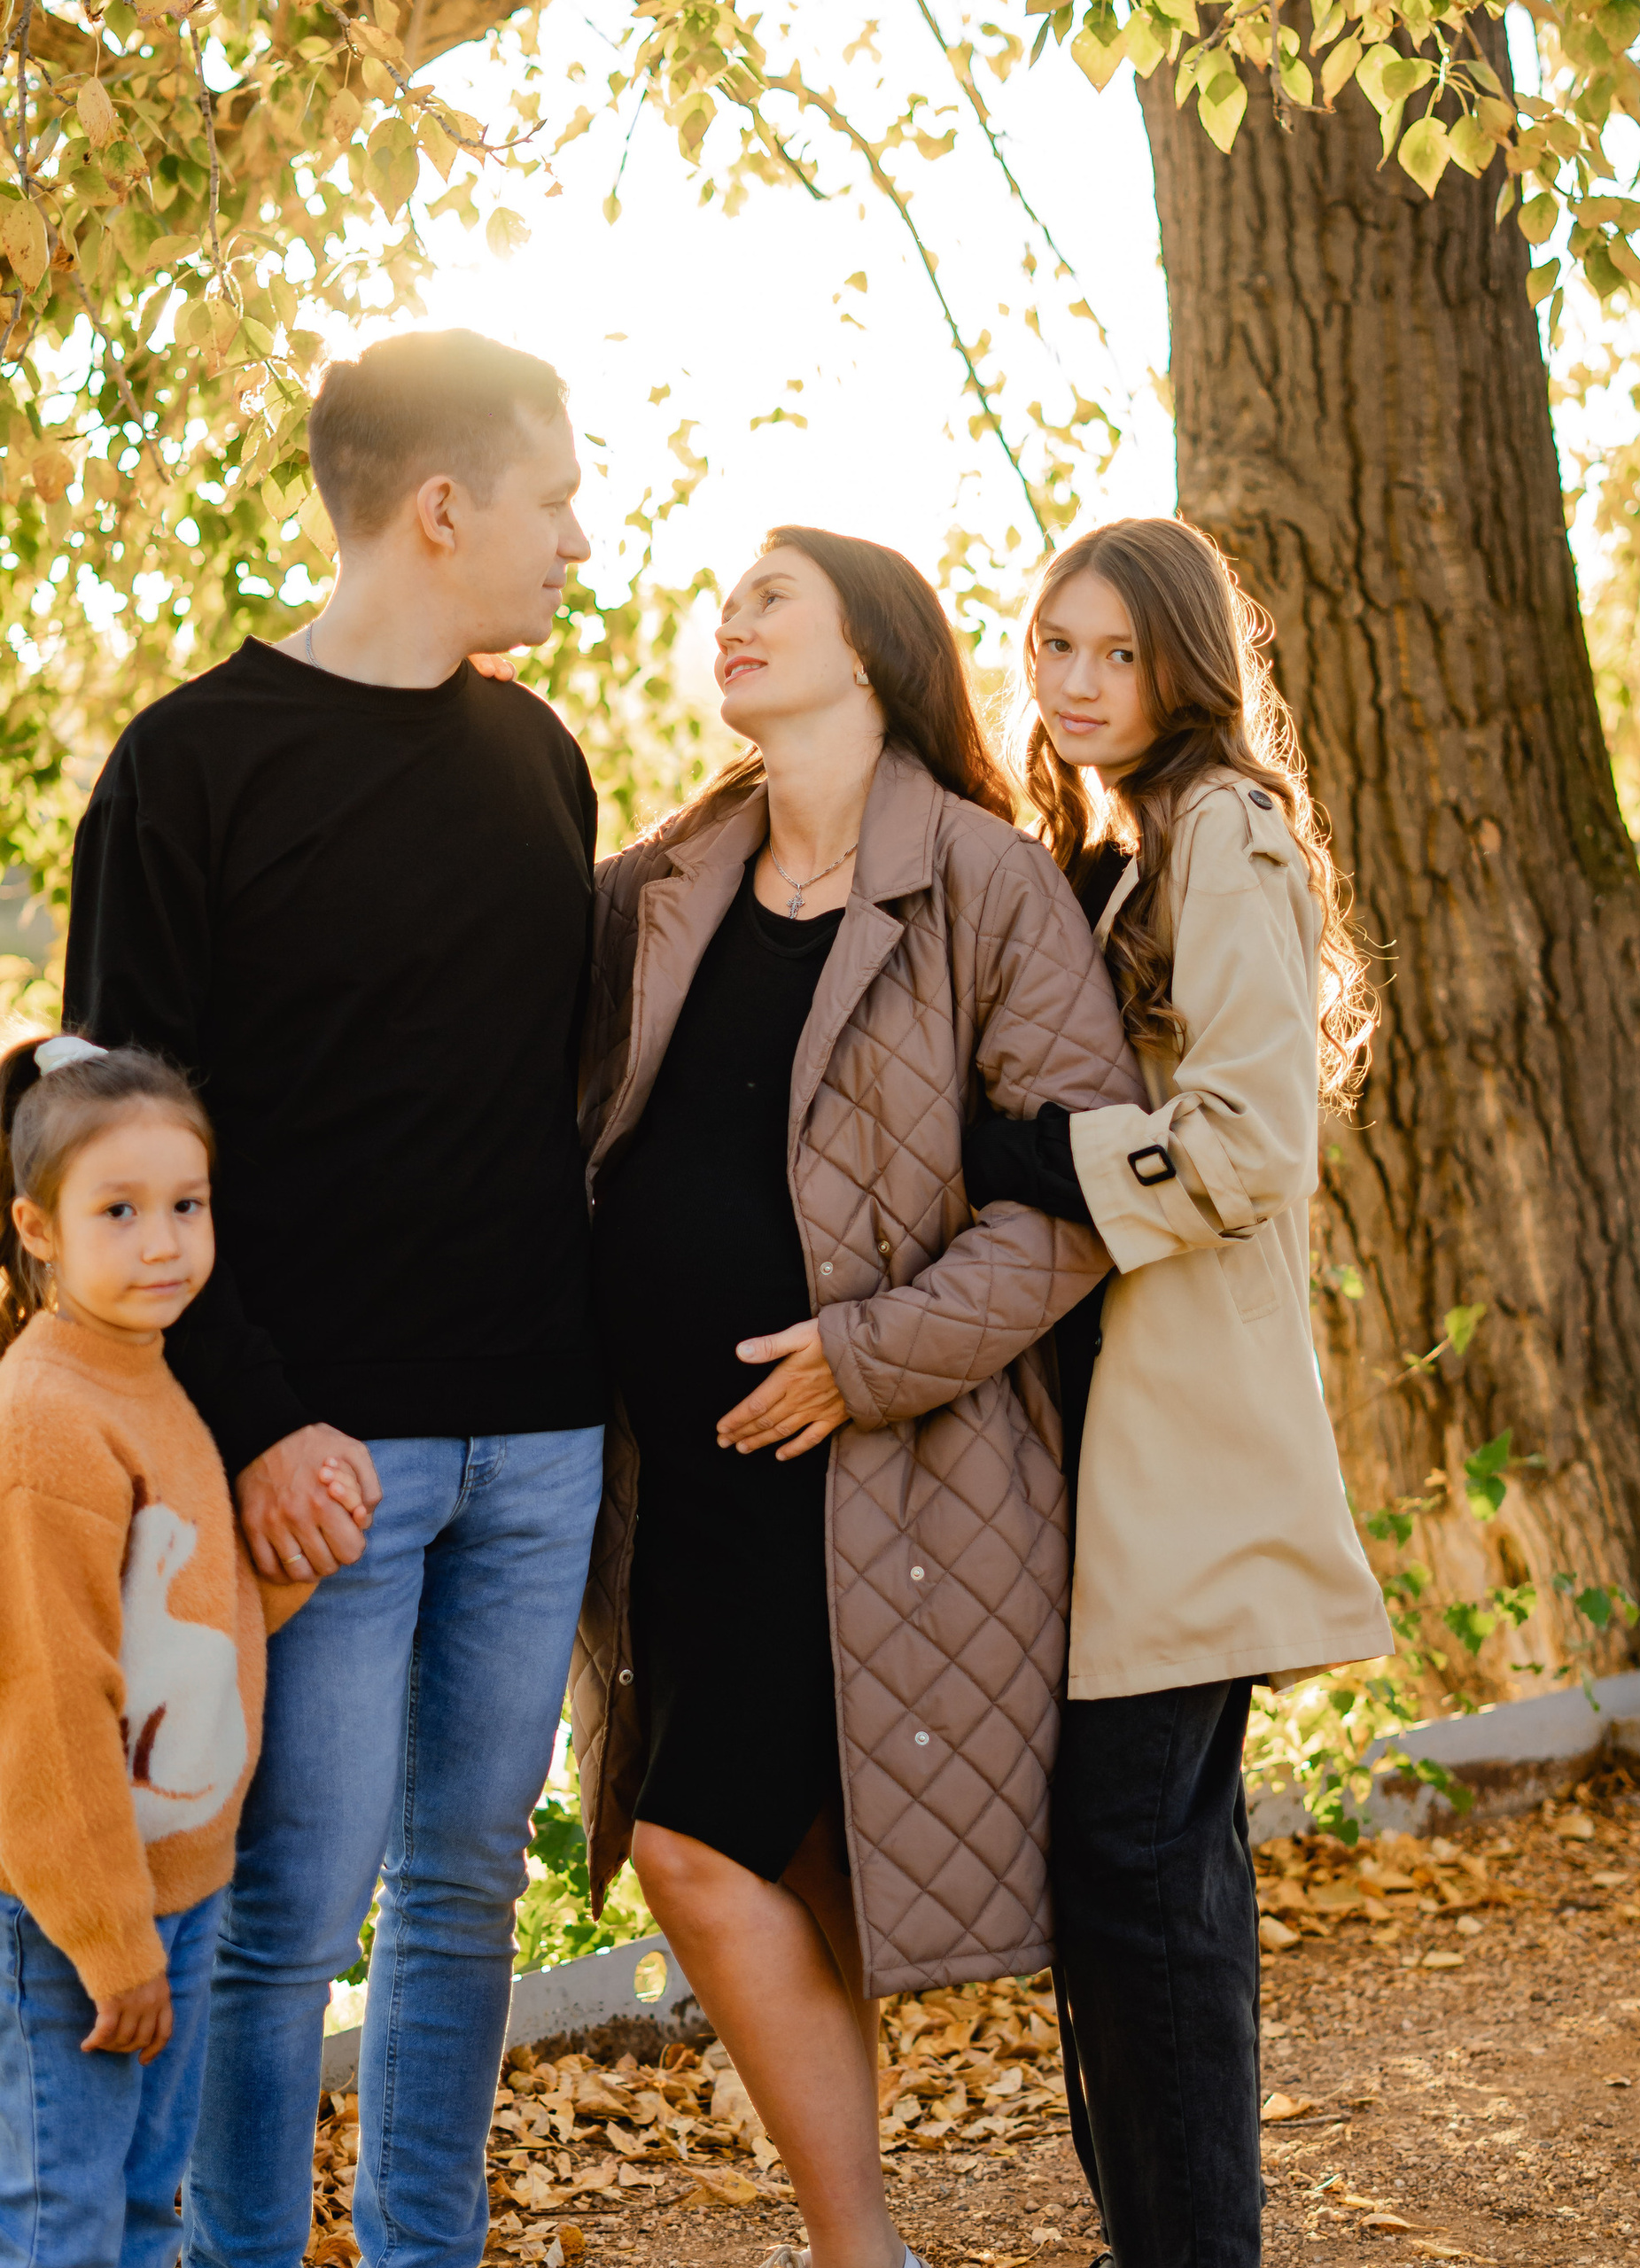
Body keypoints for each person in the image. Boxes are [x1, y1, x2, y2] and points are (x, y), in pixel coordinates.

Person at [61, 328, 606, 2268]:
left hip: (543, 1433)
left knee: (466, 1892)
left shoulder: (543, 757)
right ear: (441, 506)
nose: (576, 538)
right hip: (315, 1453)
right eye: (553, 498)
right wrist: (261, 1412)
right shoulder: (189, 767)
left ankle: (426, 2247)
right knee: (285, 1902)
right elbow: (108, 1139)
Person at [572, 526, 1143, 2268]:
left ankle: (851, 2249)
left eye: (770, 599)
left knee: (686, 1848)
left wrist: (860, 1357)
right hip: (676, 1477)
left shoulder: (982, 879)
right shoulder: (660, 877)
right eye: (725, 602)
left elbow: (1074, 1204)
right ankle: (860, 2227)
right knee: (801, 1861)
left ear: (872, 648)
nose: (727, 622)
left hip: (877, 1479)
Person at [962, 516, 1392, 2267]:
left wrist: (1025, 1157)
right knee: (1146, 1881)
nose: (1073, 683)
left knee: (1139, 1888)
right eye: (1051, 647)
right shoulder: (1125, 847)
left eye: (1112, 653)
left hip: (1189, 1451)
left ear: (1183, 666)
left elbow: (1246, 1142)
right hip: (1126, 1450)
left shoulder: (1224, 826)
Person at [0, 1034, 325, 2268]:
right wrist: (109, 1940)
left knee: (147, 2203)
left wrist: (290, 1563)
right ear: (38, 1229)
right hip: (69, 1900)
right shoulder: (44, 1434)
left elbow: (176, 1621)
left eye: (187, 1207)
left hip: (173, 1882)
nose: (164, 1243)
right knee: (59, 2221)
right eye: (121, 1211)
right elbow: (43, 1713)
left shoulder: (145, 1378)